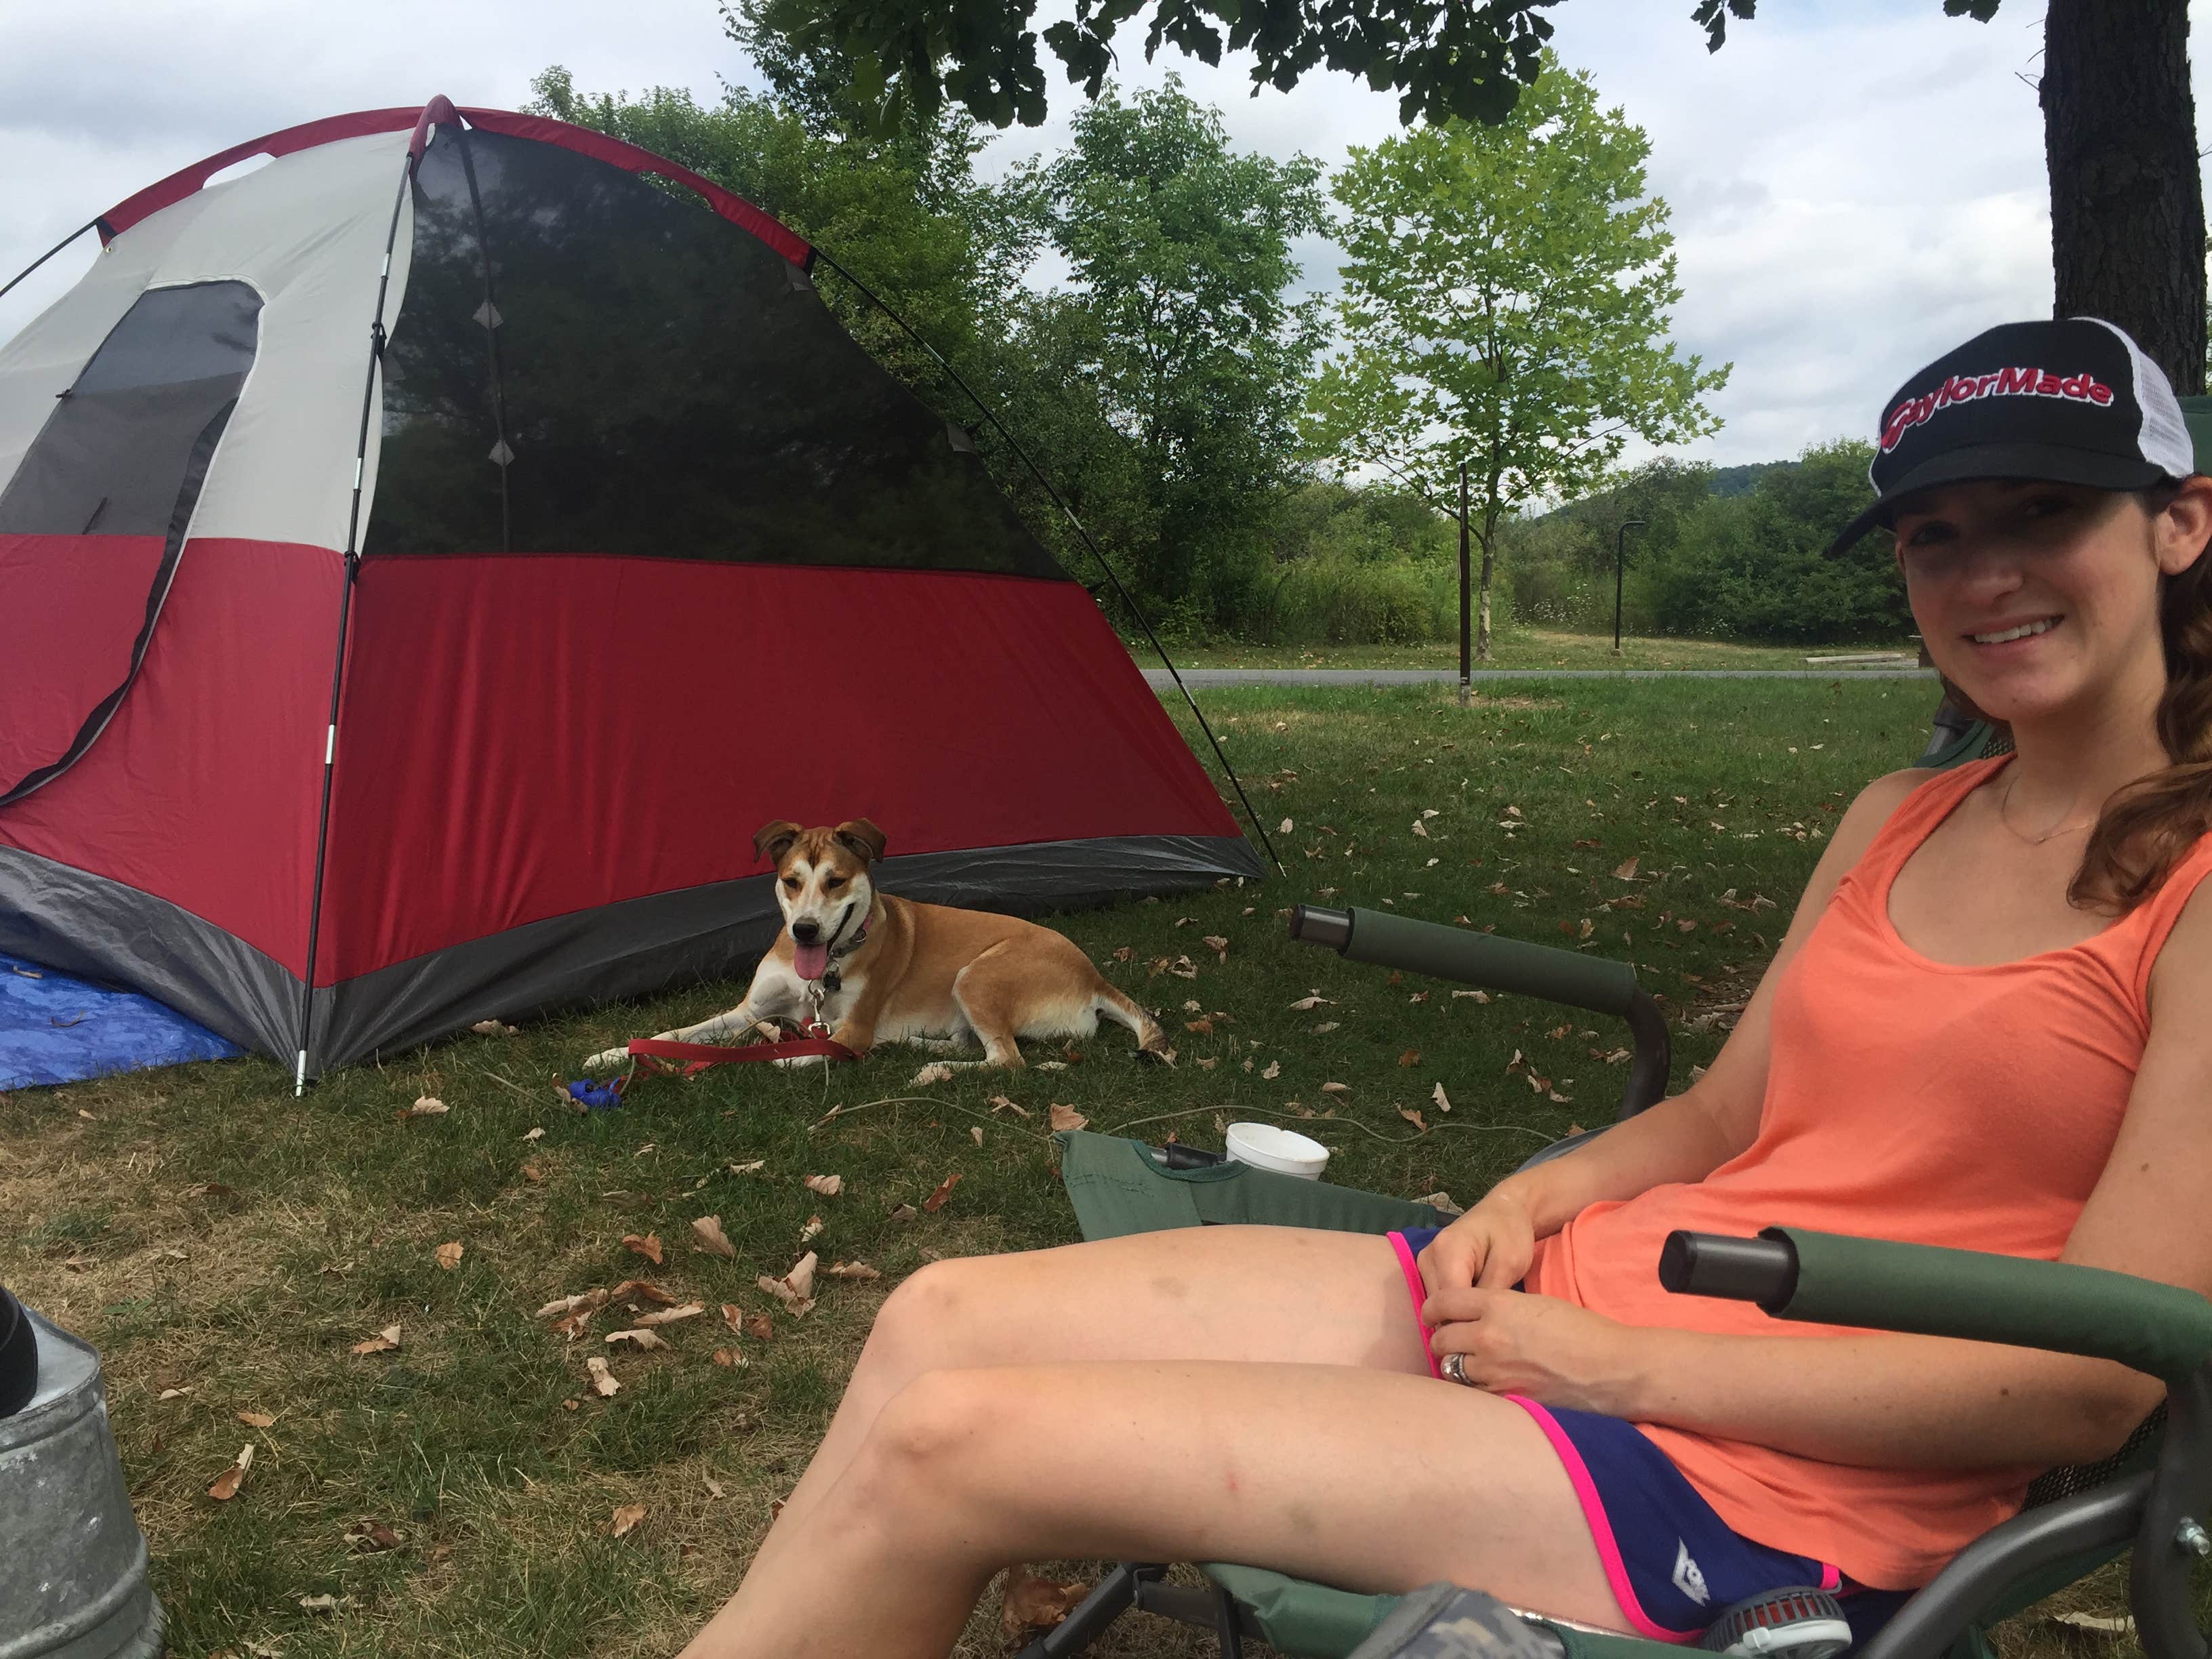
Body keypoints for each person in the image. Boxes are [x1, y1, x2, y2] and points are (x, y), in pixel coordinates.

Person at [678, 318, 2212, 1659]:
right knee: (940, 1318)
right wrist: (1524, 1208)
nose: (1984, 571)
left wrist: (1619, 1365)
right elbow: (1722, 1110)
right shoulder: (1903, 812)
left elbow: (2092, 1384)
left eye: (2044, 510)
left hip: (1749, 1483)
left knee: (957, 1447)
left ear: (2180, 525)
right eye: (1934, 534)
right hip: (1563, 1314)